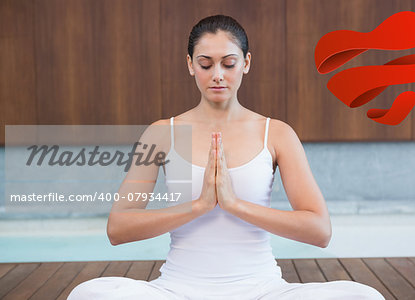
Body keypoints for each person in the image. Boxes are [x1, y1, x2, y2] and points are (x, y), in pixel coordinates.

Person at [68, 14, 385, 299]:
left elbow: (320, 231)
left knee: (365, 297)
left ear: (246, 62)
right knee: (87, 294)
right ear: (190, 64)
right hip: (177, 290)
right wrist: (199, 206)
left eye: (228, 63)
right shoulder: (161, 133)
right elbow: (118, 227)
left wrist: (234, 205)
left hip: (261, 290)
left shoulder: (276, 134)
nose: (217, 74)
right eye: (205, 64)